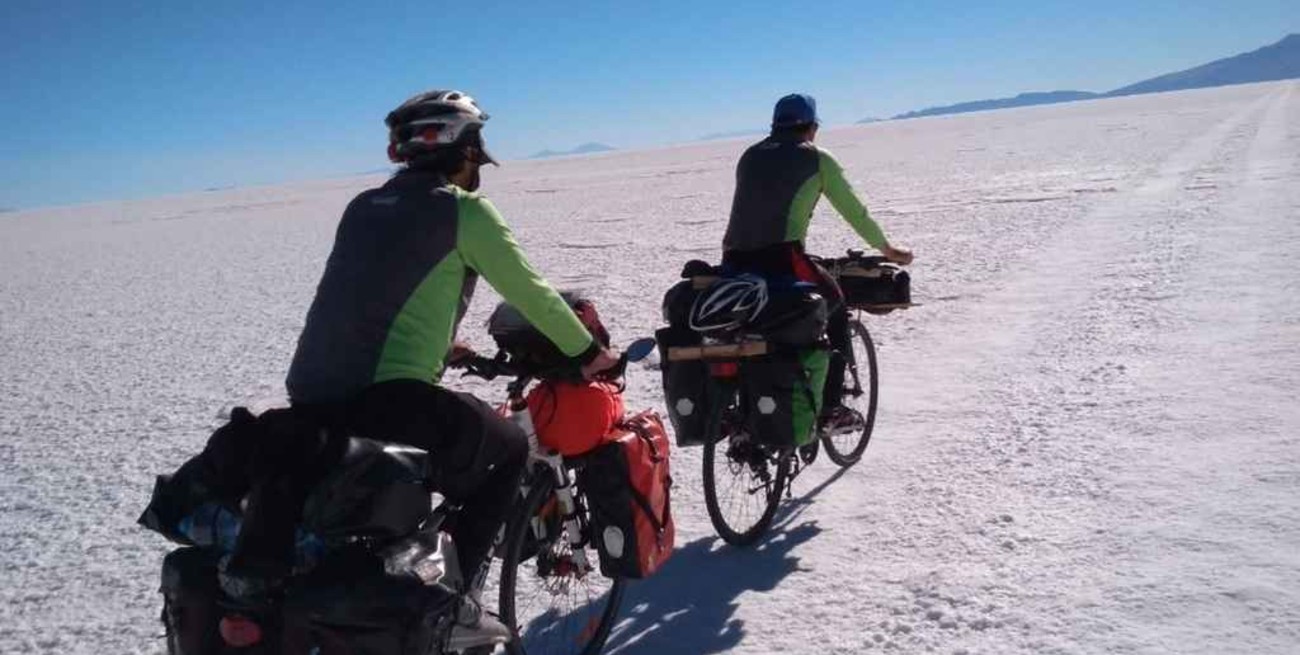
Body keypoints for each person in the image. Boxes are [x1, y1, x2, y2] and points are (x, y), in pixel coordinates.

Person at [228, 89, 618, 644]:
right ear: (464, 149)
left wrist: (442, 344)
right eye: (477, 146)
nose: (480, 159)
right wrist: (587, 353)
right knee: (505, 449)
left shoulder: (363, 206)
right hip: (389, 400)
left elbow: (370, 292)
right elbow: (532, 293)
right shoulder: (464, 210)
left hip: (312, 394)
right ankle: (453, 602)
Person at [721, 93, 912, 433]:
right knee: (834, 304)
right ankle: (831, 409)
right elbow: (854, 211)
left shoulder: (749, 156)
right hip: (781, 259)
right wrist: (887, 248)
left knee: (752, 324)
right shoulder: (817, 159)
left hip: (734, 261)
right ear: (811, 127)